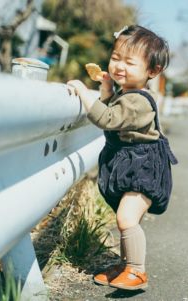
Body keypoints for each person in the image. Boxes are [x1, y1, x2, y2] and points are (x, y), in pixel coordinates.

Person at [67, 25, 177, 291]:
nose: (119, 66)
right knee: (126, 217)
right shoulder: (125, 94)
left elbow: (108, 119)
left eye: (129, 62)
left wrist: (84, 92)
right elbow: (112, 108)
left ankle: (137, 272)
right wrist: (106, 91)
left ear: (152, 71)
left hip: (144, 168)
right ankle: (126, 265)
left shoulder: (138, 101)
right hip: (131, 164)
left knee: (126, 218)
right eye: (116, 57)